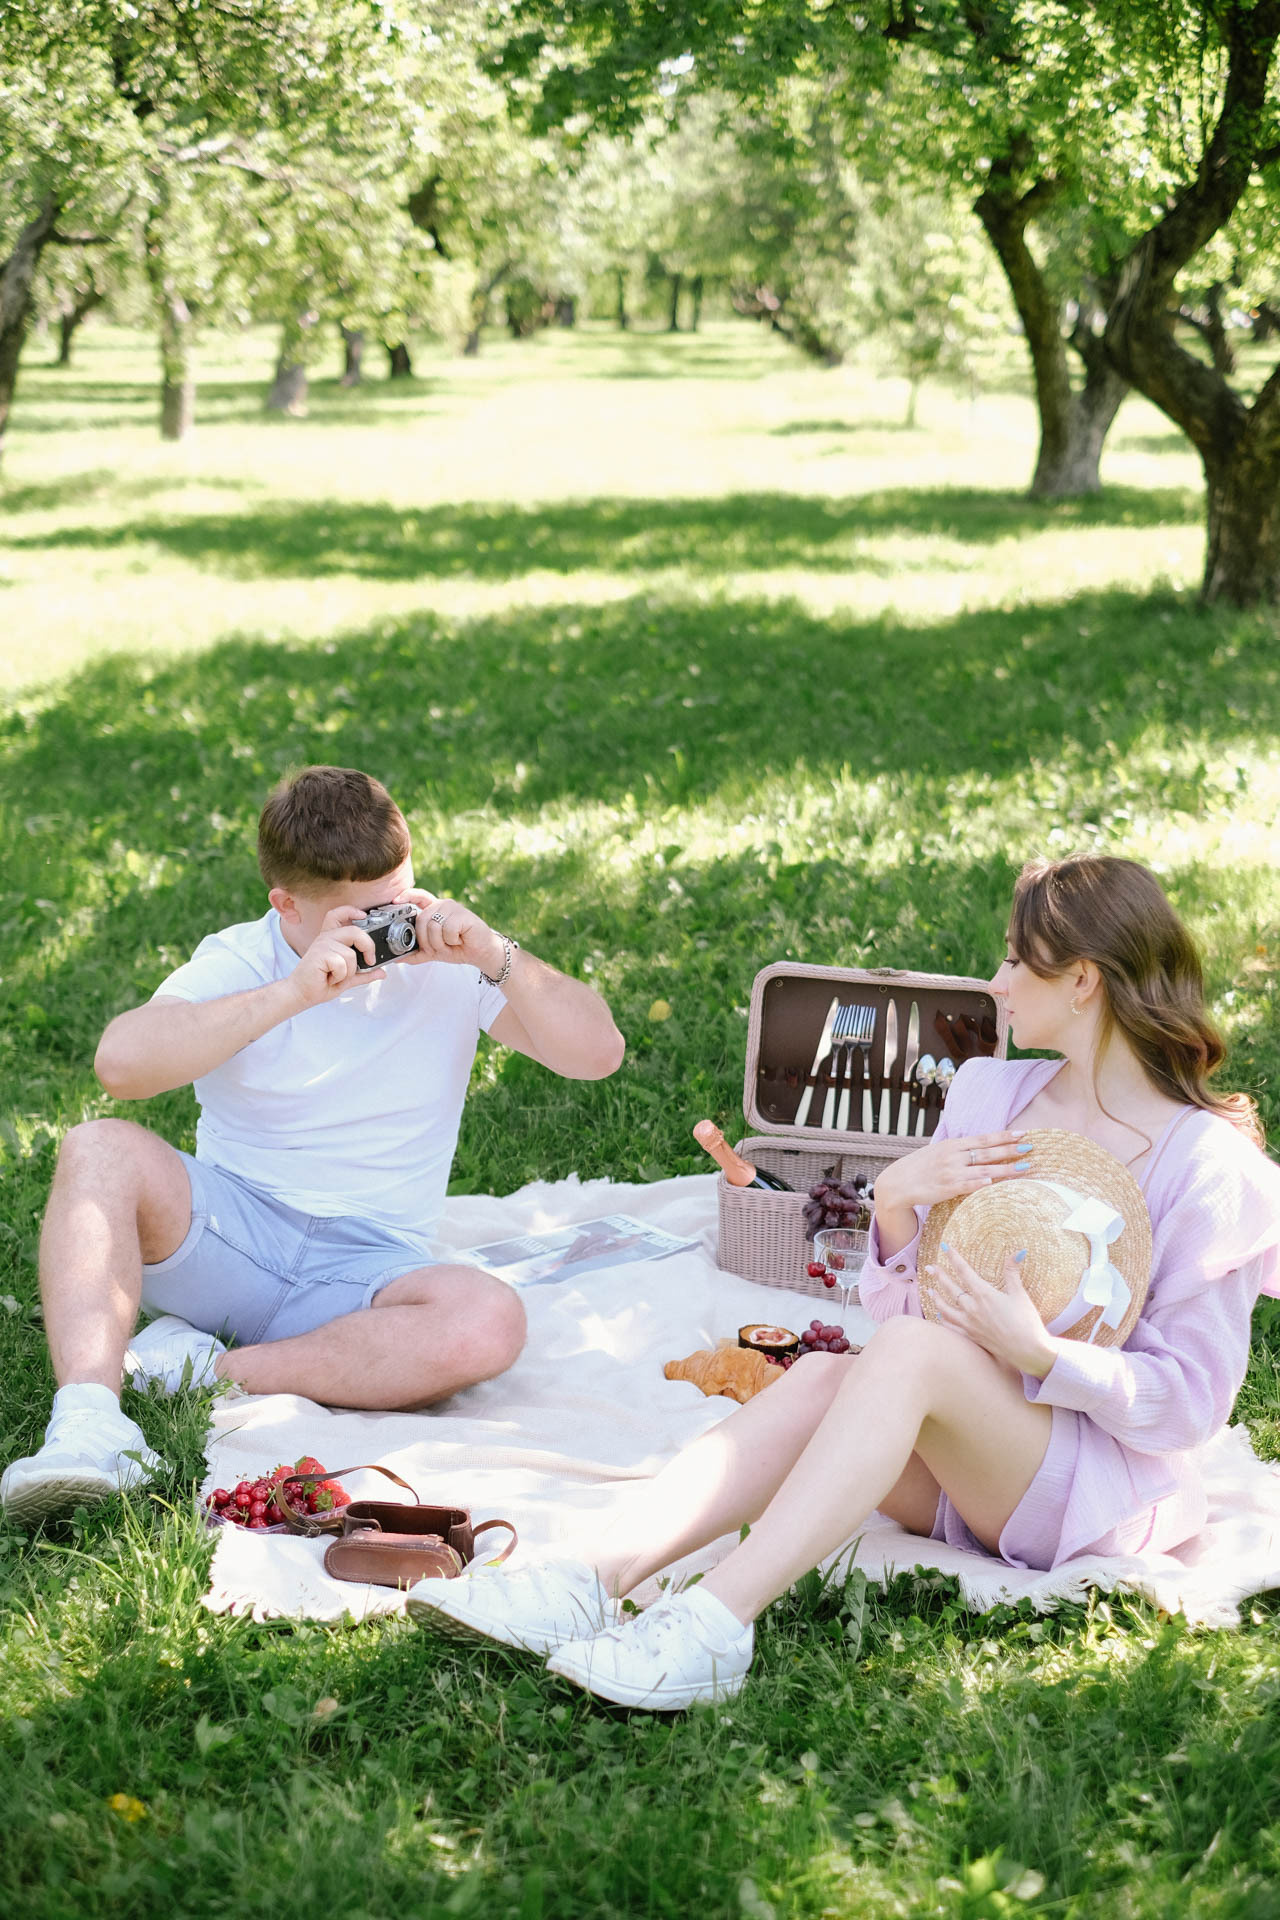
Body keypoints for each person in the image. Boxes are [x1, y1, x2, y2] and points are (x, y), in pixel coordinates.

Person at [404, 852, 1280, 1710]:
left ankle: (716, 1620)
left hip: (1095, 1491)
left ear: (1083, 979)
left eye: (1016, 960)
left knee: (902, 1357)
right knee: (825, 1371)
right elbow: (914, 1315)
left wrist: (1041, 1353)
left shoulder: (1205, 1164)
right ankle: (588, 1582)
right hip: (968, 1471)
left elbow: (1189, 1404)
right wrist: (894, 1210)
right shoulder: (989, 1095)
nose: (998, 983)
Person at [1, 765, 625, 1526]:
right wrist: (295, 991)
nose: (389, 931)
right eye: (364, 918)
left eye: (398, 900)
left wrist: (498, 955)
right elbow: (120, 1066)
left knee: (488, 1319)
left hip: (370, 1267)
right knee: (98, 1146)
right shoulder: (244, 958)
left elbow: (599, 1054)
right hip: (230, 1236)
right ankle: (90, 1425)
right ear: (287, 906)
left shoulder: (454, 963)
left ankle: (201, 1369)